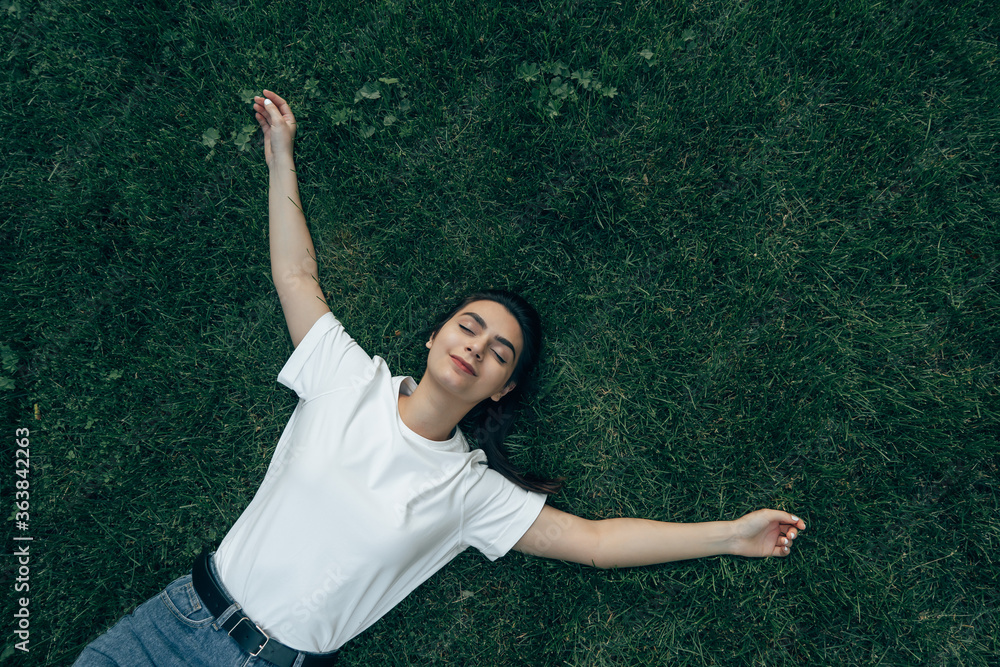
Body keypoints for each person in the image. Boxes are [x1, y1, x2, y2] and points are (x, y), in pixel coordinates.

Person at [73, 90, 806, 666]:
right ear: (434, 335)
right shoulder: (346, 378)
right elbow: (296, 276)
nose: (477, 347)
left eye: (499, 352)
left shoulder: (467, 492)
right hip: (172, 618)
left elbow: (594, 541)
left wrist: (729, 534)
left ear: (501, 389)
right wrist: (280, 157)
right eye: (469, 326)